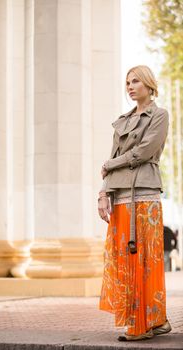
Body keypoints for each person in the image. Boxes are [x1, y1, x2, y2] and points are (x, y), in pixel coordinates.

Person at [98, 65, 172, 341]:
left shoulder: (160, 115)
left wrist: (110, 164)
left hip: (145, 192)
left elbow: (145, 151)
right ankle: (156, 320)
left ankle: (143, 324)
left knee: (144, 259)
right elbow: (111, 161)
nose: (130, 86)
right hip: (120, 194)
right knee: (124, 258)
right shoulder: (123, 120)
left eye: (136, 81)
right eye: (127, 82)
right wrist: (102, 193)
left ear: (149, 84)